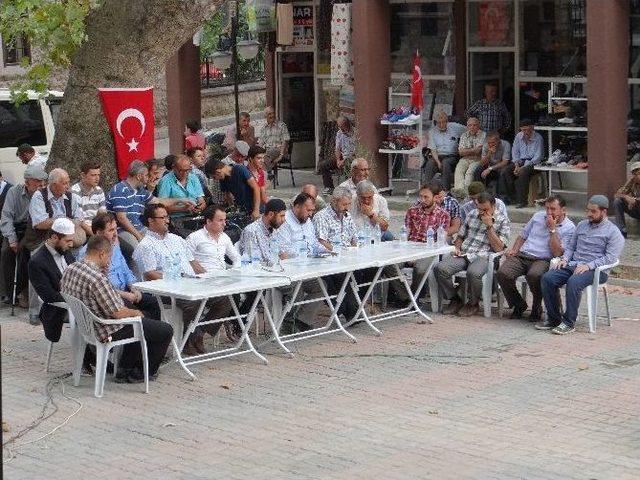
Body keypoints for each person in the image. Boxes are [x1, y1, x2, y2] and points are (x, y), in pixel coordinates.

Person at [61, 234, 173, 383]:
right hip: (106, 328)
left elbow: (62, 288)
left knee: (145, 318)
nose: (109, 261)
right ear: (102, 254)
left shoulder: (72, 267)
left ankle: (125, 367)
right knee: (164, 329)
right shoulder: (96, 278)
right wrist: (137, 313)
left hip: (86, 324)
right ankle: (141, 372)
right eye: (109, 257)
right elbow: (119, 313)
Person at [133, 203, 231, 355]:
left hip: (191, 283)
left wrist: (209, 278)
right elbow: (150, 274)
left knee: (224, 299)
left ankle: (197, 333)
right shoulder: (145, 245)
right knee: (193, 301)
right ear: (150, 221)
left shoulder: (176, 239)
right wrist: (176, 280)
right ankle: (187, 339)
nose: (167, 220)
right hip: (166, 290)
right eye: (162, 217)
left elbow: (193, 263)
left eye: (167, 217)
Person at [538, 195, 625, 335]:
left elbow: (610, 258)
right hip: (574, 264)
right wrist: (565, 259)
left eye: (593, 211)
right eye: (588, 211)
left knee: (574, 281)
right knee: (548, 278)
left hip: (597, 271)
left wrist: (589, 266)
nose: (589, 214)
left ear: (604, 212)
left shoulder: (613, 232)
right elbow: (571, 247)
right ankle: (554, 319)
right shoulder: (582, 225)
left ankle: (568, 323)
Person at [28, 218, 96, 372]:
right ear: (54, 237)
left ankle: (101, 354)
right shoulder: (36, 262)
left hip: (77, 301)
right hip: (57, 308)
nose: (71, 244)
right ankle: (91, 358)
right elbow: (48, 296)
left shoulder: (65, 251)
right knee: (86, 314)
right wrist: (78, 301)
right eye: (68, 241)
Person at [497, 195, 576, 321]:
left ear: (563, 210)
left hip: (543, 259)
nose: (549, 212)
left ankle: (536, 305)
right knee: (502, 273)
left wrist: (553, 230)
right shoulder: (538, 216)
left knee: (534, 275)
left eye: (553, 209)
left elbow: (557, 253)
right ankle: (519, 304)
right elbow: (523, 235)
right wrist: (514, 250)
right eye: (547, 208)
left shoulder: (570, 227)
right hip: (523, 254)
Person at [434, 192, 510, 317]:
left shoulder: (503, 220)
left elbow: (499, 248)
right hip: (465, 252)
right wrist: (457, 248)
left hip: (485, 255)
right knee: (440, 268)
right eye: (479, 208)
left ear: (493, 206)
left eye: (485, 209)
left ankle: (473, 303)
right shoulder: (472, 214)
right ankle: (454, 299)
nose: (481, 212)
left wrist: (489, 226)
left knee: (473, 273)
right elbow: (460, 236)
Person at [77, 212, 160, 320]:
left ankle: (151, 334)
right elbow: (99, 287)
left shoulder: (114, 246)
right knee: (148, 320)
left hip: (127, 292)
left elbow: (126, 271)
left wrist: (134, 288)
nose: (116, 234)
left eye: (116, 229)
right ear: (98, 233)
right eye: (111, 230)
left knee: (153, 302)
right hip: (110, 299)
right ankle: (153, 331)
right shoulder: (88, 254)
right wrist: (126, 295)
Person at [105, 160, 188, 262]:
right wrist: (139, 235)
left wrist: (182, 201)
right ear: (139, 176)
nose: (148, 178)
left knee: (164, 242)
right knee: (139, 251)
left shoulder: (141, 191)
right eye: (146, 175)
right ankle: (141, 277)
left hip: (139, 228)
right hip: (121, 230)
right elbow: (122, 219)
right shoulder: (119, 190)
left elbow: (158, 201)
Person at [272, 193, 325, 331]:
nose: (311, 214)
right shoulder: (285, 222)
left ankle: (302, 321)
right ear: (296, 207)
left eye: (312, 210)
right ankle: (289, 323)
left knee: (321, 286)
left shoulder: (307, 222)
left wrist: (327, 250)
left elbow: (314, 243)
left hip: (307, 267)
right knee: (297, 288)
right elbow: (283, 251)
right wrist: (305, 253)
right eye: (308, 210)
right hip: (289, 269)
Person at [0, 164, 47, 311]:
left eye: (43, 181)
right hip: (16, 228)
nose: (41, 184)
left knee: (24, 252)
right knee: (6, 252)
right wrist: (12, 239)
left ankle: (22, 291)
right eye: (37, 181)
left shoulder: (43, 194)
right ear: (27, 182)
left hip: (33, 231)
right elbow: (6, 217)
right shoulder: (14, 192)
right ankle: (9, 293)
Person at [313, 187, 360, 320]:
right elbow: (321, 242)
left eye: (349, 204)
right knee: (344, 276)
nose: (347, 207)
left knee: (366, 271)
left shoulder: (347, 216)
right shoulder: (321, 217)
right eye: (344, 204)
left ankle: (351, 310)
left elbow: (355, 238)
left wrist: (352, 250)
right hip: (328, 260)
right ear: (334, 201)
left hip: (348, 258)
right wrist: (338, 251)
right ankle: (351, 312)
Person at [403, 183, 451, 295]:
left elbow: (440, 240)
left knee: (420, 269)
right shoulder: (412, 211)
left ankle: (414, 298)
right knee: (390, 265)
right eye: (421, 196)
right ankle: (405, 296)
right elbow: (406, 233)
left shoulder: (443, 215)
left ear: (435, 197)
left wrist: (419, 256)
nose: (422, 200)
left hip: (429, 250)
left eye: (426, 197)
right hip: (410, 247)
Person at [25, 168, 88, 253]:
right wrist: (65, 220)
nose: (68, 186)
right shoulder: (39, 196)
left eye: (68, 182)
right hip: (43, 241)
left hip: (66, 240)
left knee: (83, 252)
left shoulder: (70, 196)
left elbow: (78, 220)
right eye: (65, 183)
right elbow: (40, 224)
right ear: (54, 185)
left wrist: (69, 224)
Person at [500, 118, 544, 208]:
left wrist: (522, 168)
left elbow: (537, 157)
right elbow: (515, 152)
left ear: (532, 128)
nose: (526, 132)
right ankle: (509, 197)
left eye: (528, 130)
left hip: (534, 163)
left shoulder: (538, 138)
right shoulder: (519, 136)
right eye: (524, 130)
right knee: (505, 171)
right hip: (521, 161)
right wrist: (516, 165)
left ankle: (522, 201)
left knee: (523, 173)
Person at [186, 204, 241, 271]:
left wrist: (234, 271)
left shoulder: (224, 237)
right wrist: (203, 275)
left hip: (223, 277)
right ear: (209, 221)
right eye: (220, 220)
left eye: (224, 220)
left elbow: (236, 257)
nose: (224, 224)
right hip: (203, 278)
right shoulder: (194, 237)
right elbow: (186, 259)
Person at [424, 111, 466, 189]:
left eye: (443, 122)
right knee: (430, 163)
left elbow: (469, 129)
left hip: (452, 156)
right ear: (435, 123)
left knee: (445, 163)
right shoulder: (432, 132)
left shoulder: (455, 127)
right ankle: (427, 189)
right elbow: (433, 149)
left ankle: (445, 190)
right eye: (439, 123)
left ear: (447, 121)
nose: (441, 125)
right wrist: (438, 162)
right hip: (437, 155)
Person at [156, 154, 206, 219]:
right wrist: (182, 208)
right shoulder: (165, 181)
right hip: (175, 218)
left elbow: (201, 199)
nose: (184, 173)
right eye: (181, 170)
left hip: (195, 216)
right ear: (173, 168)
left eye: (187, 170)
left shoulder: (193, 177)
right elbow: (161, 206)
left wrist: (201, 206)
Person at [318, 116, 356, 194]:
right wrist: (338, 160)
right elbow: (337, 149)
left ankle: (347, 189)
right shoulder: (339, 133)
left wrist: (344, 161)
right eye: (339, 127)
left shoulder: (355, 133)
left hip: (351, 157)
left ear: (347, 124)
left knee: (348, 165)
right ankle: (329, 187)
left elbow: (355, 151)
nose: (341, 129)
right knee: (323, 165)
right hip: (342, 156)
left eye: (343, 127)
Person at [70, 160, 106, 232]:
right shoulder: (75, 191)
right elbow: (80, 221)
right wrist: (96, 235)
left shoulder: (99, 191)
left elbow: (103, 214)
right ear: (83, 175)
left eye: (98, 175)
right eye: (93, 175)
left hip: (97, 229)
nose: (97, 178)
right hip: (82, 230)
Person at [454, 117, 486, 190]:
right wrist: (473, 150)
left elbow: (478, 151)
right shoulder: (464, 135)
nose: (472, 127)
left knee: (469, 173)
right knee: (459, 170)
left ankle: (467, 193)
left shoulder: (483, 135)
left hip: (478, 159)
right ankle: (459, 192)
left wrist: (466, 150)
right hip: (465, 159)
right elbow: (461, 152)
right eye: (470, 125)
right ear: (467, 126)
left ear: (478, 126)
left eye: (474, 125)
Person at [258, 106, 290, 172]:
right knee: (257, 157)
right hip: (268, 152)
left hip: (279, 150)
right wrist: (257, 152)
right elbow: (261, 143)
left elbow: (285, 141)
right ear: (265, 116)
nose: (272, 115)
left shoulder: (281, 125)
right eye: (269, 114)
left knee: (267, 154)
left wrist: (281, 155)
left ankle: (268, 175)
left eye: (273, 113)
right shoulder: (264, 128)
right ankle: (261, 176)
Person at [613, 160, 640, 238]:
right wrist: (626, 197)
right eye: (634, 174)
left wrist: (635, 200)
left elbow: (635, 200)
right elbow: (616, 195)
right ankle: (622, 230)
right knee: (617, 201)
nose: (636, 176)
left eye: (638, 173)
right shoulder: (632, 182)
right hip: (636, 210)